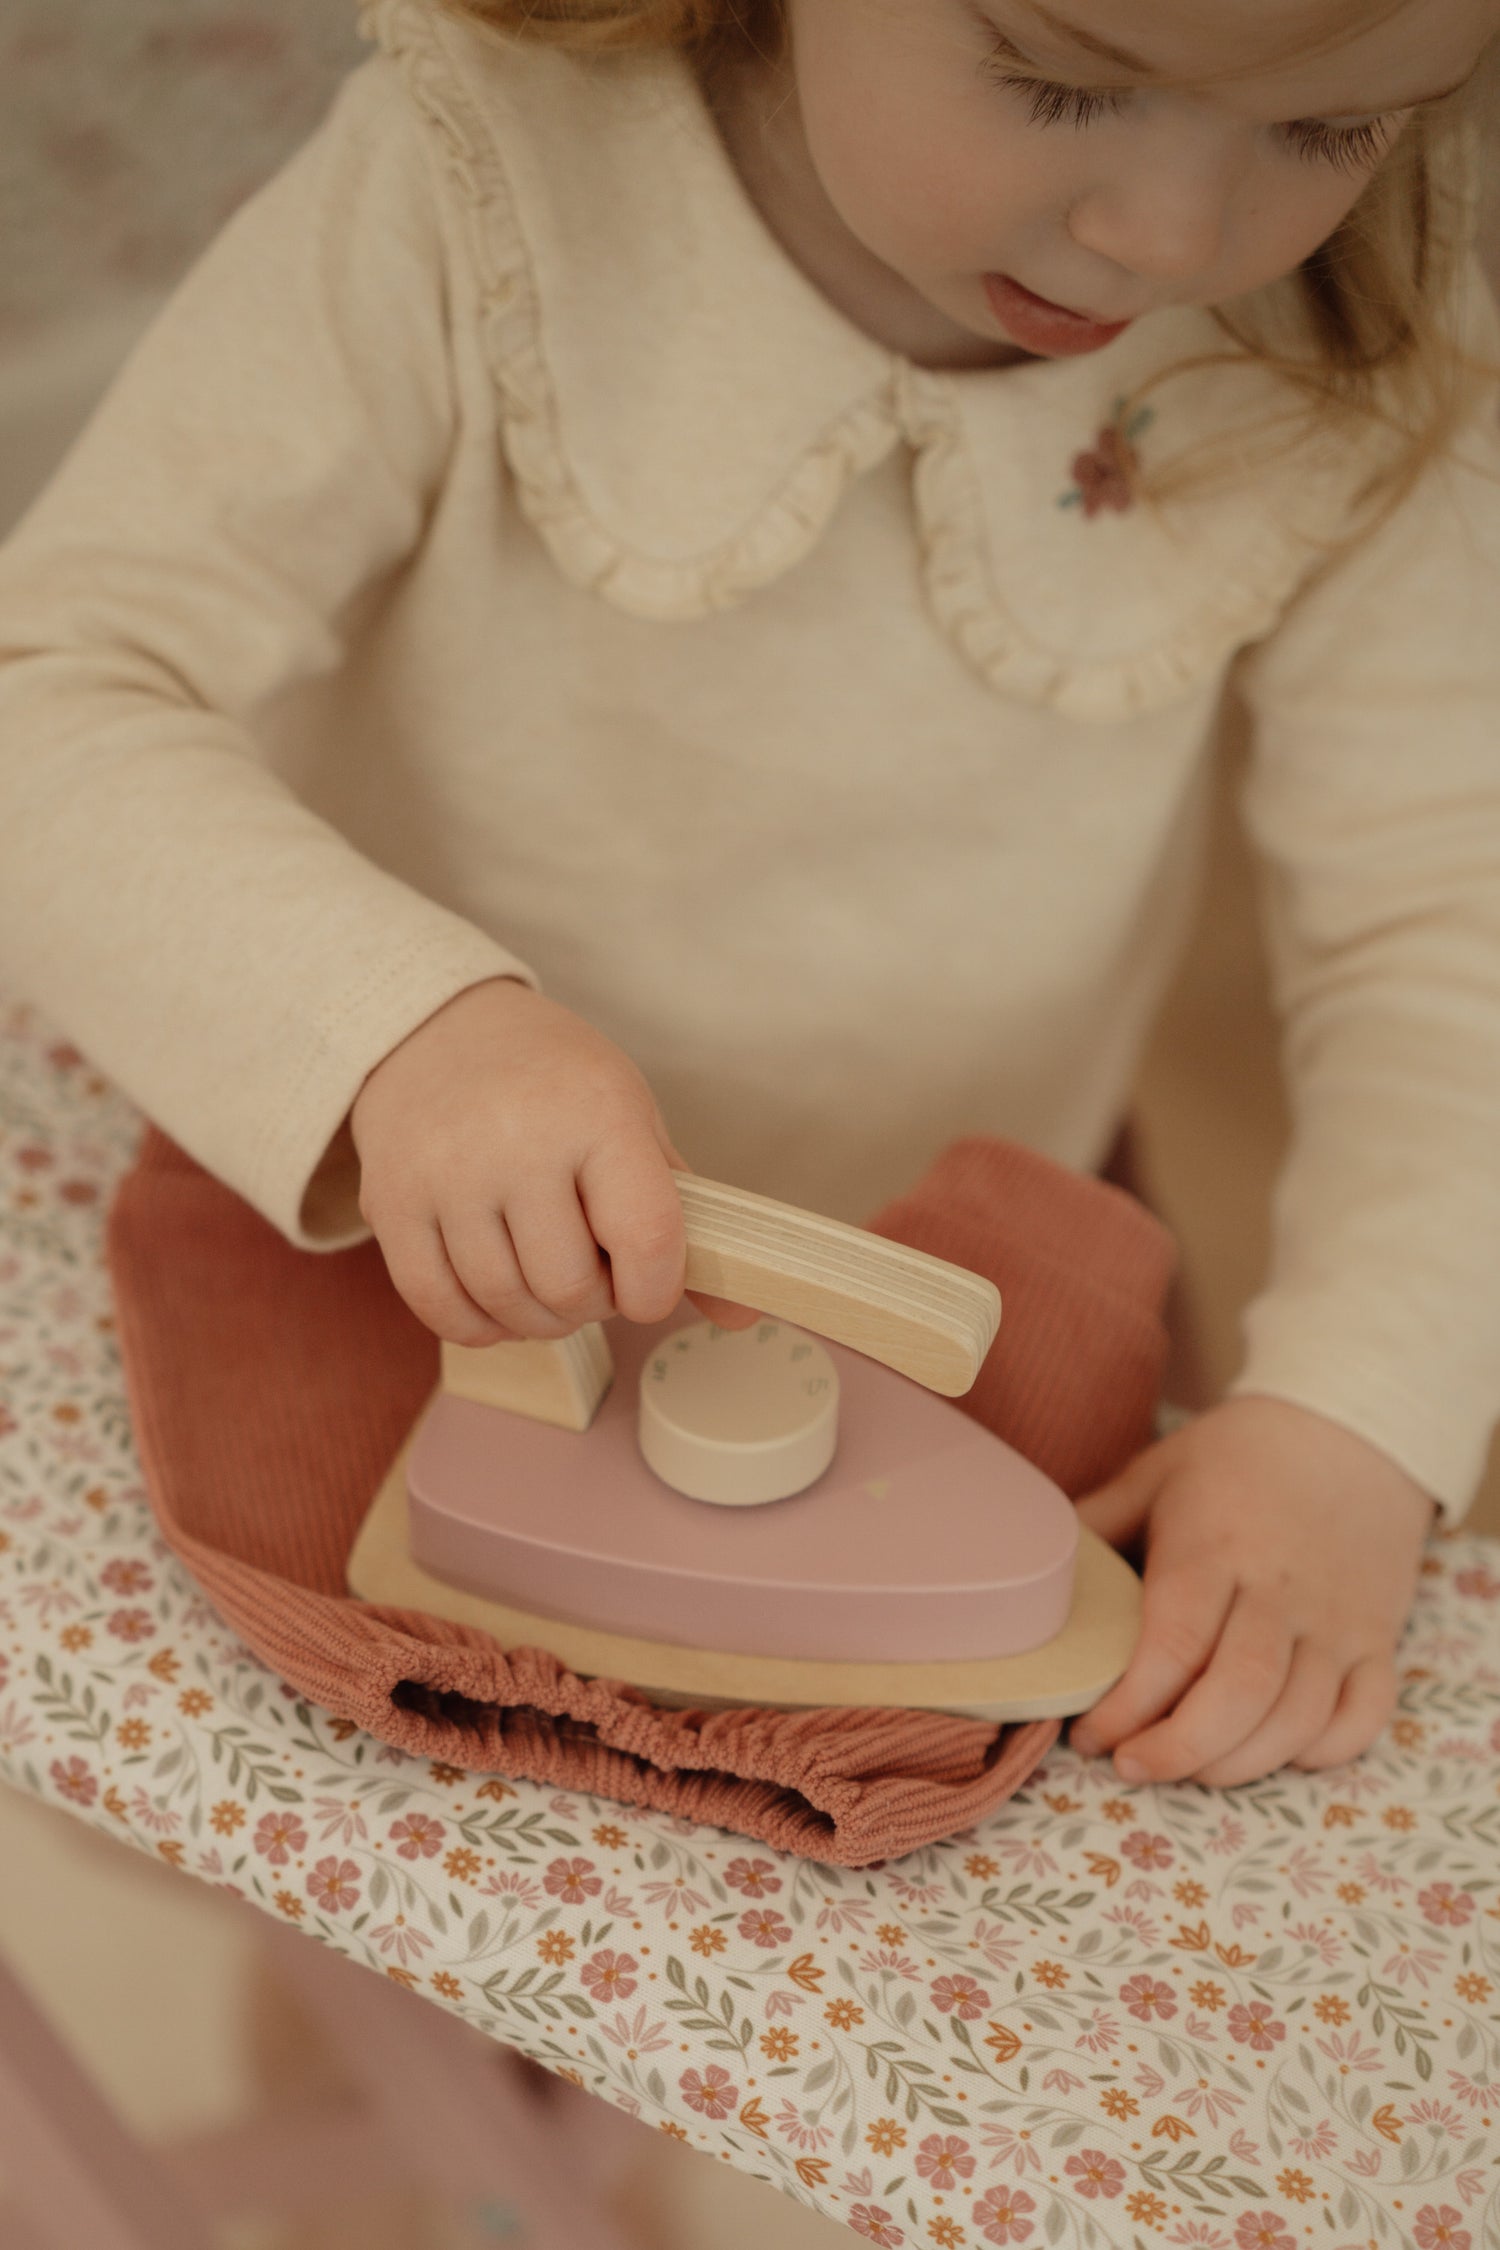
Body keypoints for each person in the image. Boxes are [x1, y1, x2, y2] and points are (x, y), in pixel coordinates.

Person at [0, 0, 1498, 1795]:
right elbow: (52, 690)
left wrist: (1355, 1415)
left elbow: (1446, 926)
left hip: (935, 1298)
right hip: (374, 1231)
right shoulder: (478, 190)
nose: (1174, 238)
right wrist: (402, 1033)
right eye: (1062, 82)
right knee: (381, 1831)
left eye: (1332, 132)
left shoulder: (1380, 315)